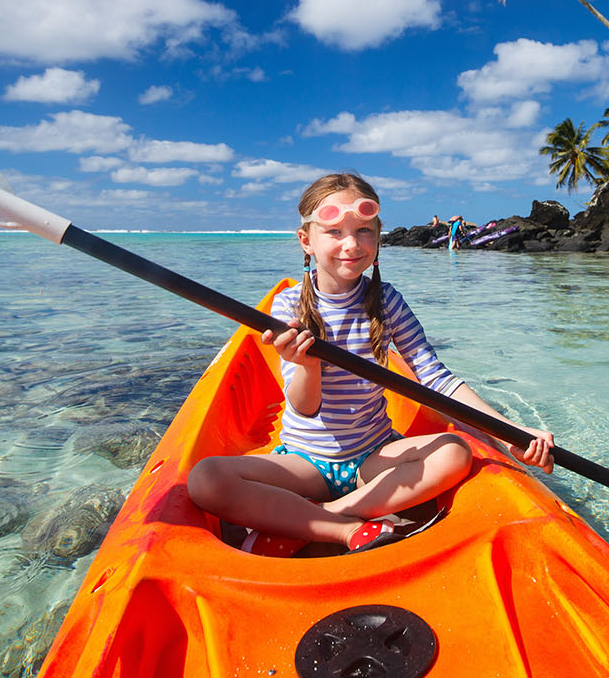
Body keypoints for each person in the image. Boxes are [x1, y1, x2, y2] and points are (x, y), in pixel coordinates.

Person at [187, 173, 554, 556]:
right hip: (306, 463)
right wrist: (308, 366)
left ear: (378, 239)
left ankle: (323, 517)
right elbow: (304, 408)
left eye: (364, 231)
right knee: (206, 478)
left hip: (373, 457)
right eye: (334, 232)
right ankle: (344, 531)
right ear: (306, 241)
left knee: (456, 451)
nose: (351, 244)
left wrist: (511, 432)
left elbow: (434, 378)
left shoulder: (387, 302)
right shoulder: (290, 307)